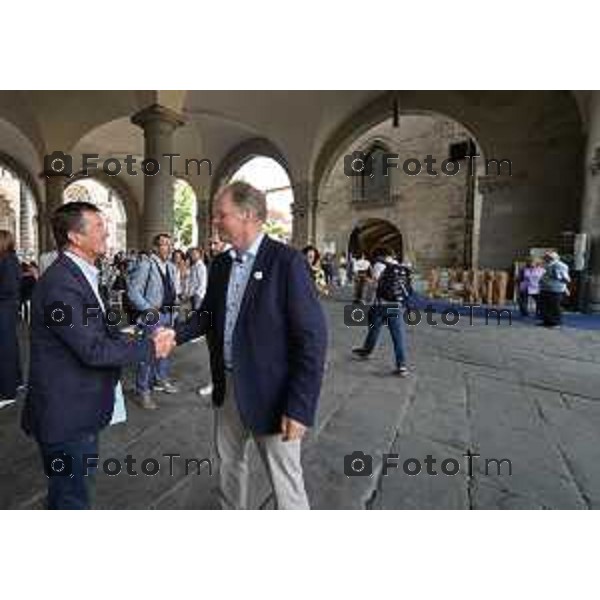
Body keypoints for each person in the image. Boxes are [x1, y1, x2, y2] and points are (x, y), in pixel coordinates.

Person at [177, 181, 328, 509]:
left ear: (246, 215)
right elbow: (205, 317)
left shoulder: (287, 263)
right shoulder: (221, 264)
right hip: (228, 387)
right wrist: (171, 336)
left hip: (273, 394)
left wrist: (299, 407)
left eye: (221, 214)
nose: (215, 220)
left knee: (285, 482)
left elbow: (312, 341)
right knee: (229, 466)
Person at [21, 202, 175, 509]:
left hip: (80, 410)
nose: (107, 232)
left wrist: (136, 334)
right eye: (99, 227)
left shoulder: (82, 274)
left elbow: (101, 330)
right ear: (75, 237)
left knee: (72, 491)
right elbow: (91, 349)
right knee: (71, 500)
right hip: (66, 416)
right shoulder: (60, 285)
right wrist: (150, 347)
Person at [127, 233, 179, 409]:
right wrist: (149, 309)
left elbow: (172, 291)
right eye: (165, 245)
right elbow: (133, 292)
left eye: (171, 244)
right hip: (153, 315)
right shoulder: (145, 264)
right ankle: (143, 391)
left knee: (164, 350)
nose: (169, 248)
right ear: (155, 247)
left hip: (168, 314)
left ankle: (161, 379)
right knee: (148, 353)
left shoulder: (171, 267)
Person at [352, 255, 411, 376]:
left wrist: (365, 299)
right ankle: (402, 365)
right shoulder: (399, 267)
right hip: (396, 306)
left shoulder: (379, 265)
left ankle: (367, 351)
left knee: (374, 329)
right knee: (398, 336)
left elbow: (374, 284)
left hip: (380, 305)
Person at [0, 230, 22, 404]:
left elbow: (8, 287)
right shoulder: (10, 259)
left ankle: (8, 391)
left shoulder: (7, 260)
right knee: (10, 346)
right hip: (8, 307)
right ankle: (16, 381)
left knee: (5, 349)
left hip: (4, 308)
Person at [538, 250, 570, 328]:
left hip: (555, 290)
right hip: (546, 289)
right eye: (545, 257)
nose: (546, 258)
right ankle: (547, 321)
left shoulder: (560, 265)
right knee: (545, 306)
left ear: (554, 257)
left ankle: (556, 323)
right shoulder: (547, 265)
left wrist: (557, 277)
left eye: (548, 257)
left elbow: (566, 279)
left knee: (555, 307)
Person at [188, 247, 208, 312]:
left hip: (198, 295)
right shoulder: (193, 266)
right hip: (192, 294)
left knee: (197, 314)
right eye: (192, 254)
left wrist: (197, 294)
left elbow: (202, 282)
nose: (193, 255)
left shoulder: (201, 266)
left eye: (195, 253)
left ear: (199, 254)